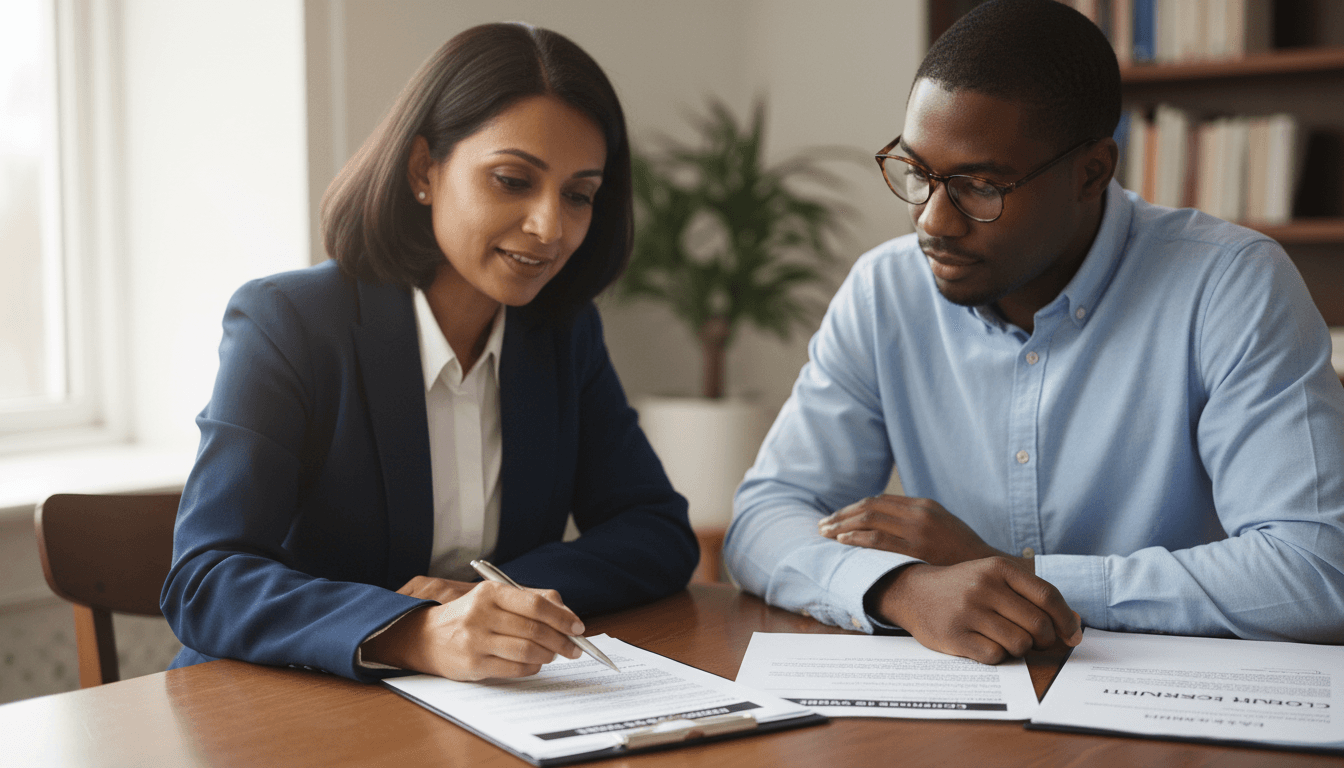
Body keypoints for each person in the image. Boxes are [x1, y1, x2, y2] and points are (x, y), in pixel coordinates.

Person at [725, 0, 1344, 664]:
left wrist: (1017, 574)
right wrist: (901, 589)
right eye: (918, 173)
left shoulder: (1229, 286)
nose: (933, 221)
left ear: (1092, 173)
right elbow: (765, 517)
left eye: (981, 185)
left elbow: (1314, 574)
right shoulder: (885, 292)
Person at [161, 23, 699, 683]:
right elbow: (206, 579)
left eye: (579, 194)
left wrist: (496, 602)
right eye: (511, 180)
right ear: (424, 171)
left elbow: (657, 530)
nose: (550, 226)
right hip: (285, 708)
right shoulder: (289, 323)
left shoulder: (562, 334)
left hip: (472, 714)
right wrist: (412, 631)